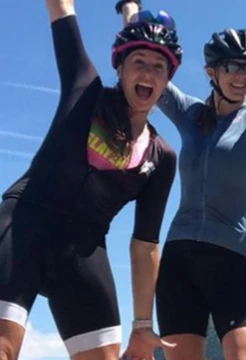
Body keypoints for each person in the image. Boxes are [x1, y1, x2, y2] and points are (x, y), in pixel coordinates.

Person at [117, 0, 246, 359]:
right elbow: (146, 59)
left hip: (234, 261)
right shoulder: (191, 115)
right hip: (180, 261)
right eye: (232, 67)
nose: (242, 77)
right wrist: (130, 10)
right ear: (211, 71)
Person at [0, 1, 183, 359]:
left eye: (158, 66)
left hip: (83, 248)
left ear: (167, 79)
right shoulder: (85, 88)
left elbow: (145, 244)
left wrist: (143, 326)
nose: (148, 73)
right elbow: (60, 9)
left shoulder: (162, 157)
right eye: (139, 63)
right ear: (120, 65)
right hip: (24, 224)